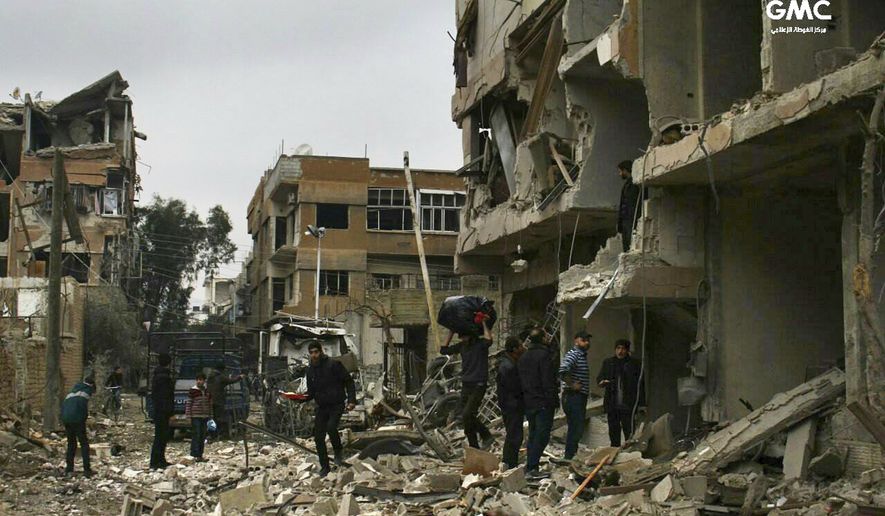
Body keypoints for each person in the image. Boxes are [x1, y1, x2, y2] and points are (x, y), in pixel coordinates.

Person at [440, 316, 494, 451]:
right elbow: (443, 350)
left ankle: (486, 435)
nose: (462, 339)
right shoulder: (462, 346)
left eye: (463, 337)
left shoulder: (481, 344)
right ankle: (474, 446)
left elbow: (489, 340)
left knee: (467, 414)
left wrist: (483, 322)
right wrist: (450, 332)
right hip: (466, 383)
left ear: (470, 336)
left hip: (478, 384)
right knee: (464, 417)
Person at [305, 340, 356, 477]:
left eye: (316, 352)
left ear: (321, 352)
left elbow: (348, 381)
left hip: (336, 404)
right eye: (311, 353)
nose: (314, 355)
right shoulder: (310, 370)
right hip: (322, 406)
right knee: (318, 437)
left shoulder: (333, 365)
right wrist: (297, 398)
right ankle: (325, 467)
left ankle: (338, 451)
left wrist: (351, 400)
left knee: (331, 427)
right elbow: (310, 392)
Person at [518, 328, 558, 479]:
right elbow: (548, 380)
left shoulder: (523, 357)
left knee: (534, 435)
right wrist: (552, 400)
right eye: (546, 336)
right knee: (542, 435)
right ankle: (532, 467)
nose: (549, 338)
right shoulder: (544, 355)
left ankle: (530, 465)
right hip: (543, 402)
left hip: (529, 402)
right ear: (541, 339)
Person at [597, 339, 645, 446]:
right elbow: (599, 379)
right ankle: (615, 453)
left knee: (629, 433)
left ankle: (629, 454)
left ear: (627, 350)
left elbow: (641, 385)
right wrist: (603, 382)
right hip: (612, 404)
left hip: (628, 404)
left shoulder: (634, 364)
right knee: (614, 433)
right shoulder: (608, 363)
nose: (620, 351)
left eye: (623, 348)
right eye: (618, 348)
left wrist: (642, 404)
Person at [559, 330, 592, 460]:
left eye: (588, 340)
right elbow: (563, 370)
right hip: (573, 396)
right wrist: (572, 384)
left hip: (577, 397)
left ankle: (571, 456)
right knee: (576, 428)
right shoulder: (574, 354)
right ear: (576, 341)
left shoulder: (581, 355)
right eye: (583, 340)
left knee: (576, 428)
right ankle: (569, 457)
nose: (587, 342)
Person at [496, 336, 525, 470]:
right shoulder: (508, 366)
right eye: (520, 345)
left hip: (510, 404)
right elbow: (514, 388)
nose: (523, 347)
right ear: (514, 349)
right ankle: (509, 463)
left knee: (514, 434)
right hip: (512, 405)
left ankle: (509, 462)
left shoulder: (509, 363)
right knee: (514, 435)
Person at [61, 375, 96, 477]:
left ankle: (69, 469)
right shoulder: (86, 392)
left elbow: (65, 407)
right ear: (92, 386)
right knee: (84, 444)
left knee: (71, 444)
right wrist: (84, 419)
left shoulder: (72, 391)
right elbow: (82, 409)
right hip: (76, 419)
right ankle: (87, 469)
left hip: (66, 419)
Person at [150, 353, 175, 469]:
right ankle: (157, 461)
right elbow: (167, 396)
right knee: (161, 437)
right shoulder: (165, 378)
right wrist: (170, 412)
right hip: (163, 411)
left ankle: (159, 460)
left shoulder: (157, 376)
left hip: (158, 410)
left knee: (160, 436)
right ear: (168, 364)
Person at [207, 362, 243, 439]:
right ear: (221, 369)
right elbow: (231, 381)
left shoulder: (210, 377)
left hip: (210, 400)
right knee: (220, 418)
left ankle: (212, 435)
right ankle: (222, 434)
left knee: (212, 419)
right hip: (219, 401)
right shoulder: (220, 377)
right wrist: (240, 377)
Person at [186, 373, 212, 462]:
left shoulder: (207, 391)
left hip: (205, 416)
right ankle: (194, 454)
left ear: (204, 381)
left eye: (201, 380)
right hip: (195, 416)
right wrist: (188, 416)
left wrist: (210, 415)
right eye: (198, 380)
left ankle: (200, 455)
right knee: (196, 435)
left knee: (202, 436)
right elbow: (189, 404)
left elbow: (209, 404)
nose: (199, 381)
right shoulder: (193, 391)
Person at [617, 160, 642, 252]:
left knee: (630, 245)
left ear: (625, 170)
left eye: (620, 171)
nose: (620, 174)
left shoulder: (635, 184)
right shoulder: (628, 184)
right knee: (626, 245)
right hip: (626, 220)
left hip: (631, 220)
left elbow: (633, 204)